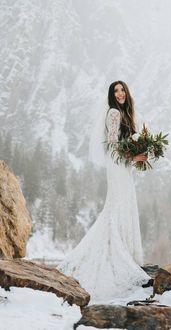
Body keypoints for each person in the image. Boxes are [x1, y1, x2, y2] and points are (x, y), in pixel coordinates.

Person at [57, 80, 151, 302]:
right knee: (117, 206)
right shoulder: (113, 114)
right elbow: (111, 145)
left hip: (123, 166)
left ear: (127, 92)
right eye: (115, 91)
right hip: (117, 166)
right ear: (112, 95)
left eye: (122, 90)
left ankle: (123, 253)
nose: (119, 93)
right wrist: (133, 156)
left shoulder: (125, 113)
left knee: (124, 204)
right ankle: (116, 256)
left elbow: (123, 143)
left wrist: (138, 153)